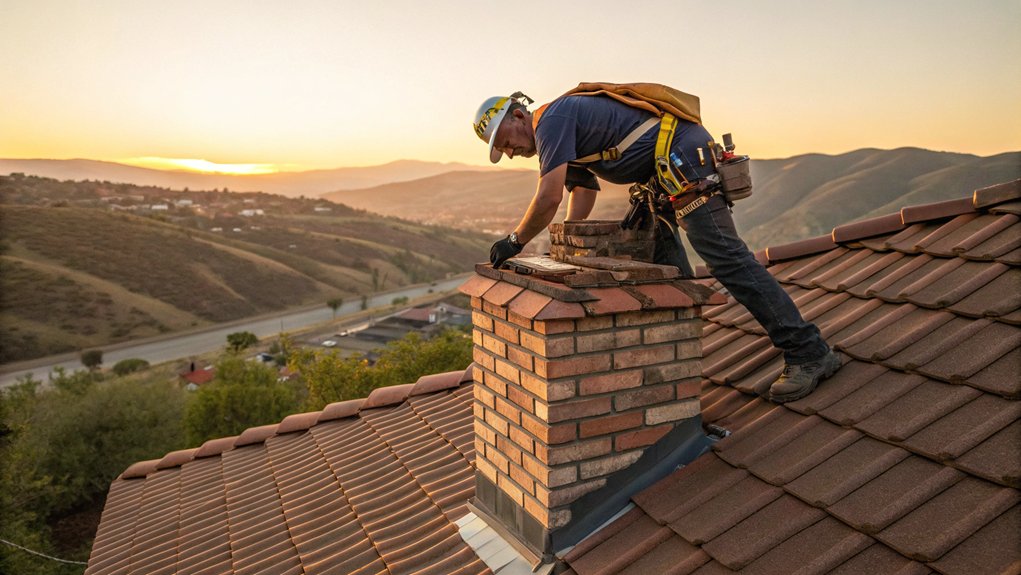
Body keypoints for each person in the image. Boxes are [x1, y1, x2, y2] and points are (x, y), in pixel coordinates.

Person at [472, 90, 840, 403]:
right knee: (667, 267)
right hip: (663, 177)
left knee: (727, 260)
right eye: (501, 150)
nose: (509, 151)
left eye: (505, 141)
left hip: (684, 163)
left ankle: (808, 352)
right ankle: (677, 361)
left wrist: (515, 241)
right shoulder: (555, 134)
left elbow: (548, 195)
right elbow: (581, 191)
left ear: (518, 114)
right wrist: (566, 240)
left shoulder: (552, 120)